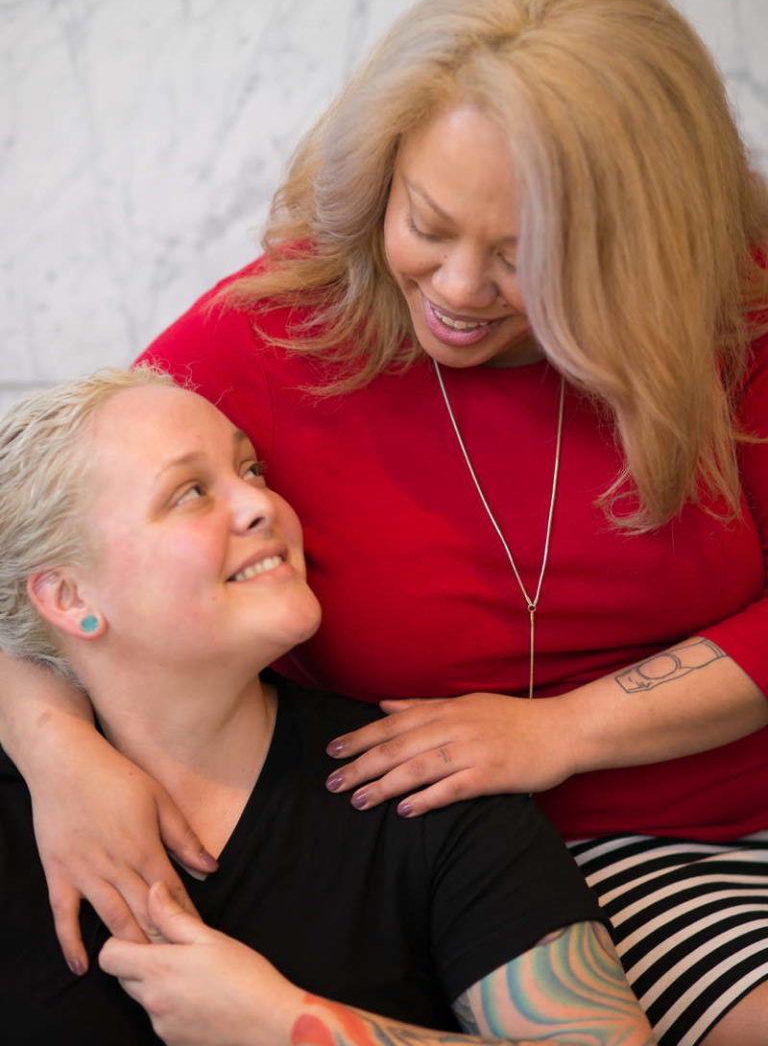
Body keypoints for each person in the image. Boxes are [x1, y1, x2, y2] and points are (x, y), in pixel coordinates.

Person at [1, 0, 767, 1046]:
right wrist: (57, 755)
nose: (456, 292)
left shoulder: (732, 313)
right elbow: (50, 553)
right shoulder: (271, 331)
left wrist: (565, 730)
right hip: (575, 862)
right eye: (429, 223)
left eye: (524, 255)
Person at [0, 368, 653, 1046]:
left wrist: (287, 1028)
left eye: (250, 469)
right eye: (191, 492)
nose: (262, 506)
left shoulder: (426, 783)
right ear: (69, 598)